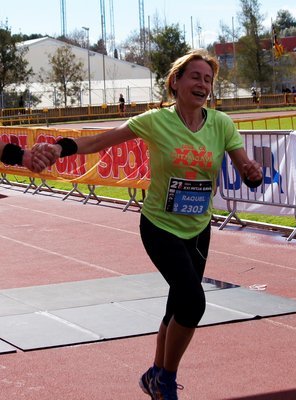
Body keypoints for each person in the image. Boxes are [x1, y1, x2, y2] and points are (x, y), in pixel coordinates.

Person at [33, 49, 263, 400]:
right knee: (193, 303)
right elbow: (99, 140)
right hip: (160, 226)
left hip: (198, 229)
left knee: (178, 306)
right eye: (195, 77)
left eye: (208, 80)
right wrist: (59, 149)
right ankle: (166, 380)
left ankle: (155, 373)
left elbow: (244, 165)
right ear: (176, 82)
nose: (203, 85)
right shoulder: (155, 121)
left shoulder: (222, 124)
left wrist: (251, 172)